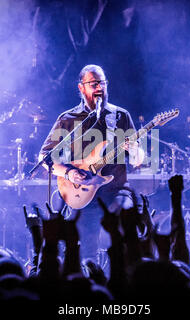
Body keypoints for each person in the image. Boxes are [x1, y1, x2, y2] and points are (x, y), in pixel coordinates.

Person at [38, 64, 145, 259]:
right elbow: (45, 157)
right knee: (86, 251)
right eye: (94, 83)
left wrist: (135, 150)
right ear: (81, 87)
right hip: (83, 193)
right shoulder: (68, 119)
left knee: (128, 228)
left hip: (116, 190)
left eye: (103, 83)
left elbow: (138, 161)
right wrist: (70, 173)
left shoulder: (119, 116)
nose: (100, 88)